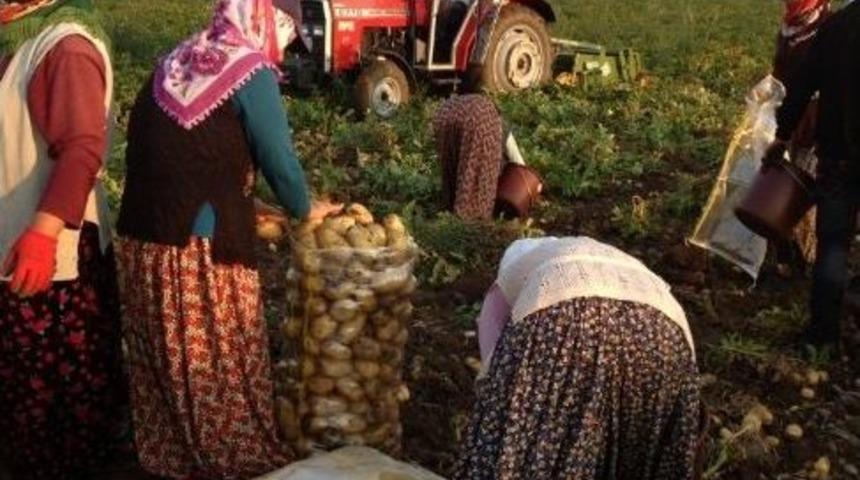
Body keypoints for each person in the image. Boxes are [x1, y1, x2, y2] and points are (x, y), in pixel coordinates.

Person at [115, 0, 340, 478]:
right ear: (270, 22)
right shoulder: (248, 69)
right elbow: (278, 157)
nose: (284, 46)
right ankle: (229, 456)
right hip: (195, 251)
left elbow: (186, 152)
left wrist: (243, 203)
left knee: (167, 362)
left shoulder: (179, 60)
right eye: (287, 32)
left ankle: (172, 454)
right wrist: (305, 209)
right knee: (214, 362)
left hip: (144, 237)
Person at [0, 0, 127, 478]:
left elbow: (82, 147)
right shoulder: (18, 40)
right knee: (25, 389)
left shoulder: (65, 46)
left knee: (62, 392)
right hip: (16, 241)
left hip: (50, 254)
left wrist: (41, 233)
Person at [455, 237, 704, 480]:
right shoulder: (616, 262)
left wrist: (494, 414)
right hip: (666, 330)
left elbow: (495, 375)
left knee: (529, 445)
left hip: (572, 318)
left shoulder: (510, 280)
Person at [763, 0, 860, 351]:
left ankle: (823, 338)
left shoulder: (836, 27)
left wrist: (782, 136)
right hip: (839, 155)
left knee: (833, 246)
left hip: (836, 158)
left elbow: (801, 87)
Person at [771, 0, 831, 271]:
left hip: (820, 121)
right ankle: (793, 248)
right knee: (794, 178)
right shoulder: (788, 28)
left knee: (810, 185)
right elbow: (780, 73)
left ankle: (810, 253)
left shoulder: (828, 26)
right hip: (794, 115)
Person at [433, 94, 526, 220]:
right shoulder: (495, 123)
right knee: (476, 173)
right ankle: (471, 215)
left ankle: (449, 208)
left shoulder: (476, 108)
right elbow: (518, 162)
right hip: (474, 118)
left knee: (456, 164)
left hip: (445, 114)